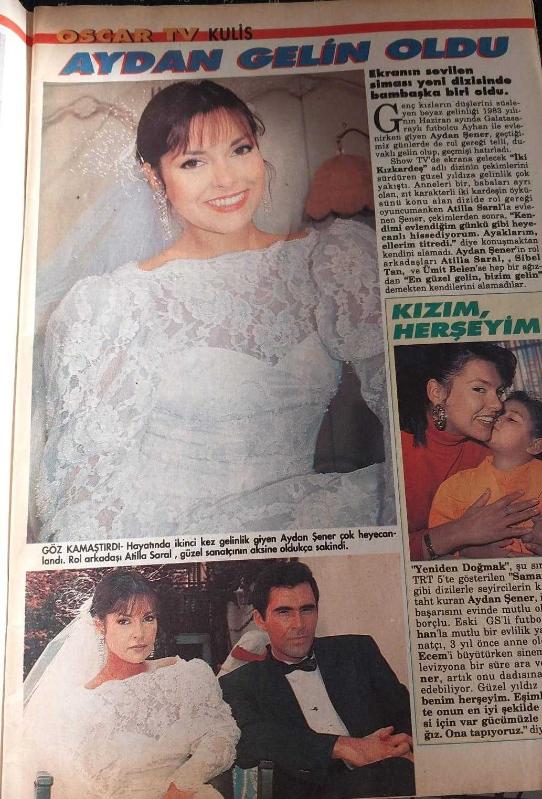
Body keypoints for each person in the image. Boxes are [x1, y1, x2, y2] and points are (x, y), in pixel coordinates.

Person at [35, 79, 391, 542]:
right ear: (154, 177)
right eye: (193, 162)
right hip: (168, 536)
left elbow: (407, 400)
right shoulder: (115, 304)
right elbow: (86, 491)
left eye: (240, 150)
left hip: (294, 526)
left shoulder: (332, 262)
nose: (226, 179)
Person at [23, 569, 239, 799]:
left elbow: (221, 735)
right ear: (99, 625)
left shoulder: (185, 676)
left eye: (148, 618)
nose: (139, 633)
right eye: (124, 621)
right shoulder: (79, 703)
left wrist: (182, 785)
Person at [219, 562, 414, 799]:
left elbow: (405, 713)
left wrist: (402, 745)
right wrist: (344, 747)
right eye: (284, 612)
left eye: (307, 609)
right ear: (260, 619)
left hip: (389, 777)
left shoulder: (358, 651)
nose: (299, 624)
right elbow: (250, 739)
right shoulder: (239, 684)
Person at [395, 343, 540, 560]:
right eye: (479, 389)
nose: (498, 404)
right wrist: (459, 535)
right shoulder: (395, 453)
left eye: (499, 392)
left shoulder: (495, 451)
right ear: (437, 392)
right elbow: (377, 555)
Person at [429, 391, 542, 556]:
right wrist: (467, 552)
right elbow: (436, 547)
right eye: (498, 414)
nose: (497, 419)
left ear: (535, 445)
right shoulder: (454, 487)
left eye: (511, 419)